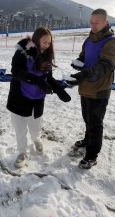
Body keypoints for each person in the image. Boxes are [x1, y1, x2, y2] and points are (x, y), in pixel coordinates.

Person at [7, 27, 71, 168]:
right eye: (44, 42)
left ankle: (37, 139)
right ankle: (22, 152)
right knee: (20, 129)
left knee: (35, 127)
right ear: (36, 40)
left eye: (49, 43)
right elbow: (16, 71)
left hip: (37, 100)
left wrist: (58, 89)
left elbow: (48, 77)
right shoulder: (22, 52)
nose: (46, 46)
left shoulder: (46, 56)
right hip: (19, 98)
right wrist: (35, 81)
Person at [68, 8, 115, 169]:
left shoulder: (112, 42)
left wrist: (84, 74)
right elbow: (84, 56)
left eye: (96, 22)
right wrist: (78, 62)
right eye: (91, 22)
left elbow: (105, 65)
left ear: (106, 22)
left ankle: (92, 156)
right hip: (85, 87)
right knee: (87, 118)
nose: (93, 25)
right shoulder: (89, 40)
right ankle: (87, 140)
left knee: (95, 123)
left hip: (99, 90)